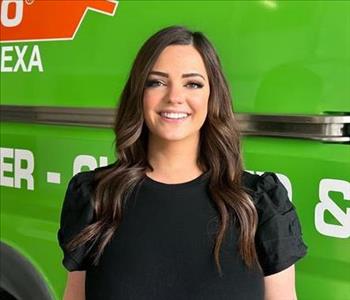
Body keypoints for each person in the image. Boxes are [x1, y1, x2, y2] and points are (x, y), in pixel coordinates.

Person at [57, 25, 307, 300]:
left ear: (212, 96)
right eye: (157, 82)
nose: (174, 97)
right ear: (139, 94)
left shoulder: (259, 203)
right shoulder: (95, 196)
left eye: (193, 84)